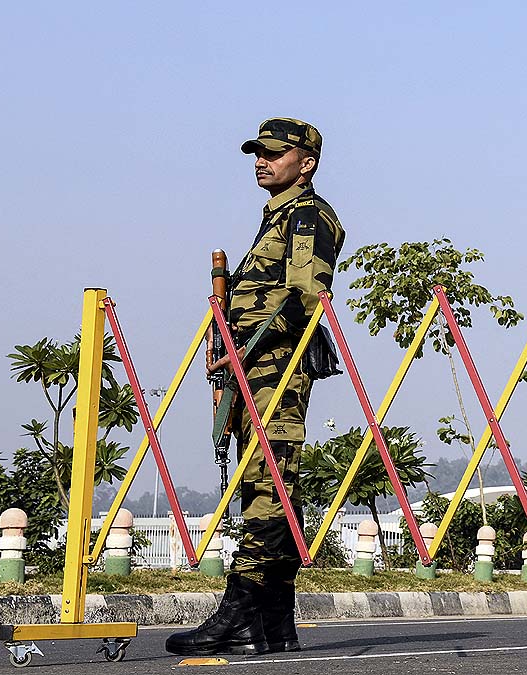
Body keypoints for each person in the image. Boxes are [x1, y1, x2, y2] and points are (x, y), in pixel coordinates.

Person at [167, 118, 345, 656]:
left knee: (269, 484)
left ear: (305, 162)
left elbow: (306, 299)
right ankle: (274, 622)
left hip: (277, 367)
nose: (261, 161)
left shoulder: (309, 217)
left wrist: (241, 333)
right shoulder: (278, 218)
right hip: (254, 366)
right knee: (268, 486)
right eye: (257, 153)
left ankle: (241, 611)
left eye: (273, 153)